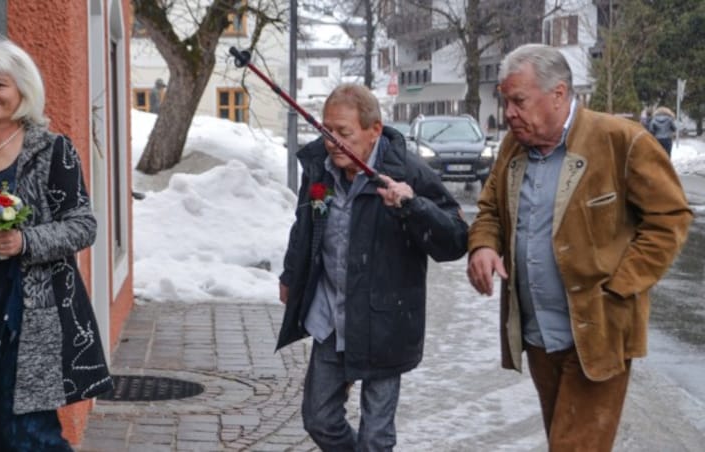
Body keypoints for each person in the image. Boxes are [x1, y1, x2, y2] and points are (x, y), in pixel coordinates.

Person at [466, 44, 692, 451]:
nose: (509, 113)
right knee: (564, 441)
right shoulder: (512, 149)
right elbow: (490, 211)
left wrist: (621, 286)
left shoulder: (621, 141)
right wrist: (483, 246)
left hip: (598, 332)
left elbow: (670, 217)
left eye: (519, 101)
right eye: (506, 102)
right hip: (538, 336)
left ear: (558, 94)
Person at [0, 33, 112, 450]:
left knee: (29, 432)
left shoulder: (52, 150)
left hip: (28, 315)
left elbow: (84, 226)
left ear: (22, 90)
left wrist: (25, 241)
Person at [276, 84, 468, 451]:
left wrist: (413, 206)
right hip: (332, 314)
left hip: (386, 321)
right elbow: (305, 225)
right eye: (326, 130)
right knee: (319, 418)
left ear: (374, 130)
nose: (332, 141)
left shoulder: (408, 171)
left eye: (343, 132)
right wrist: (290, 274)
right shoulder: (319, 168)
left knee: (376, 436)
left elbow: (456, 239)